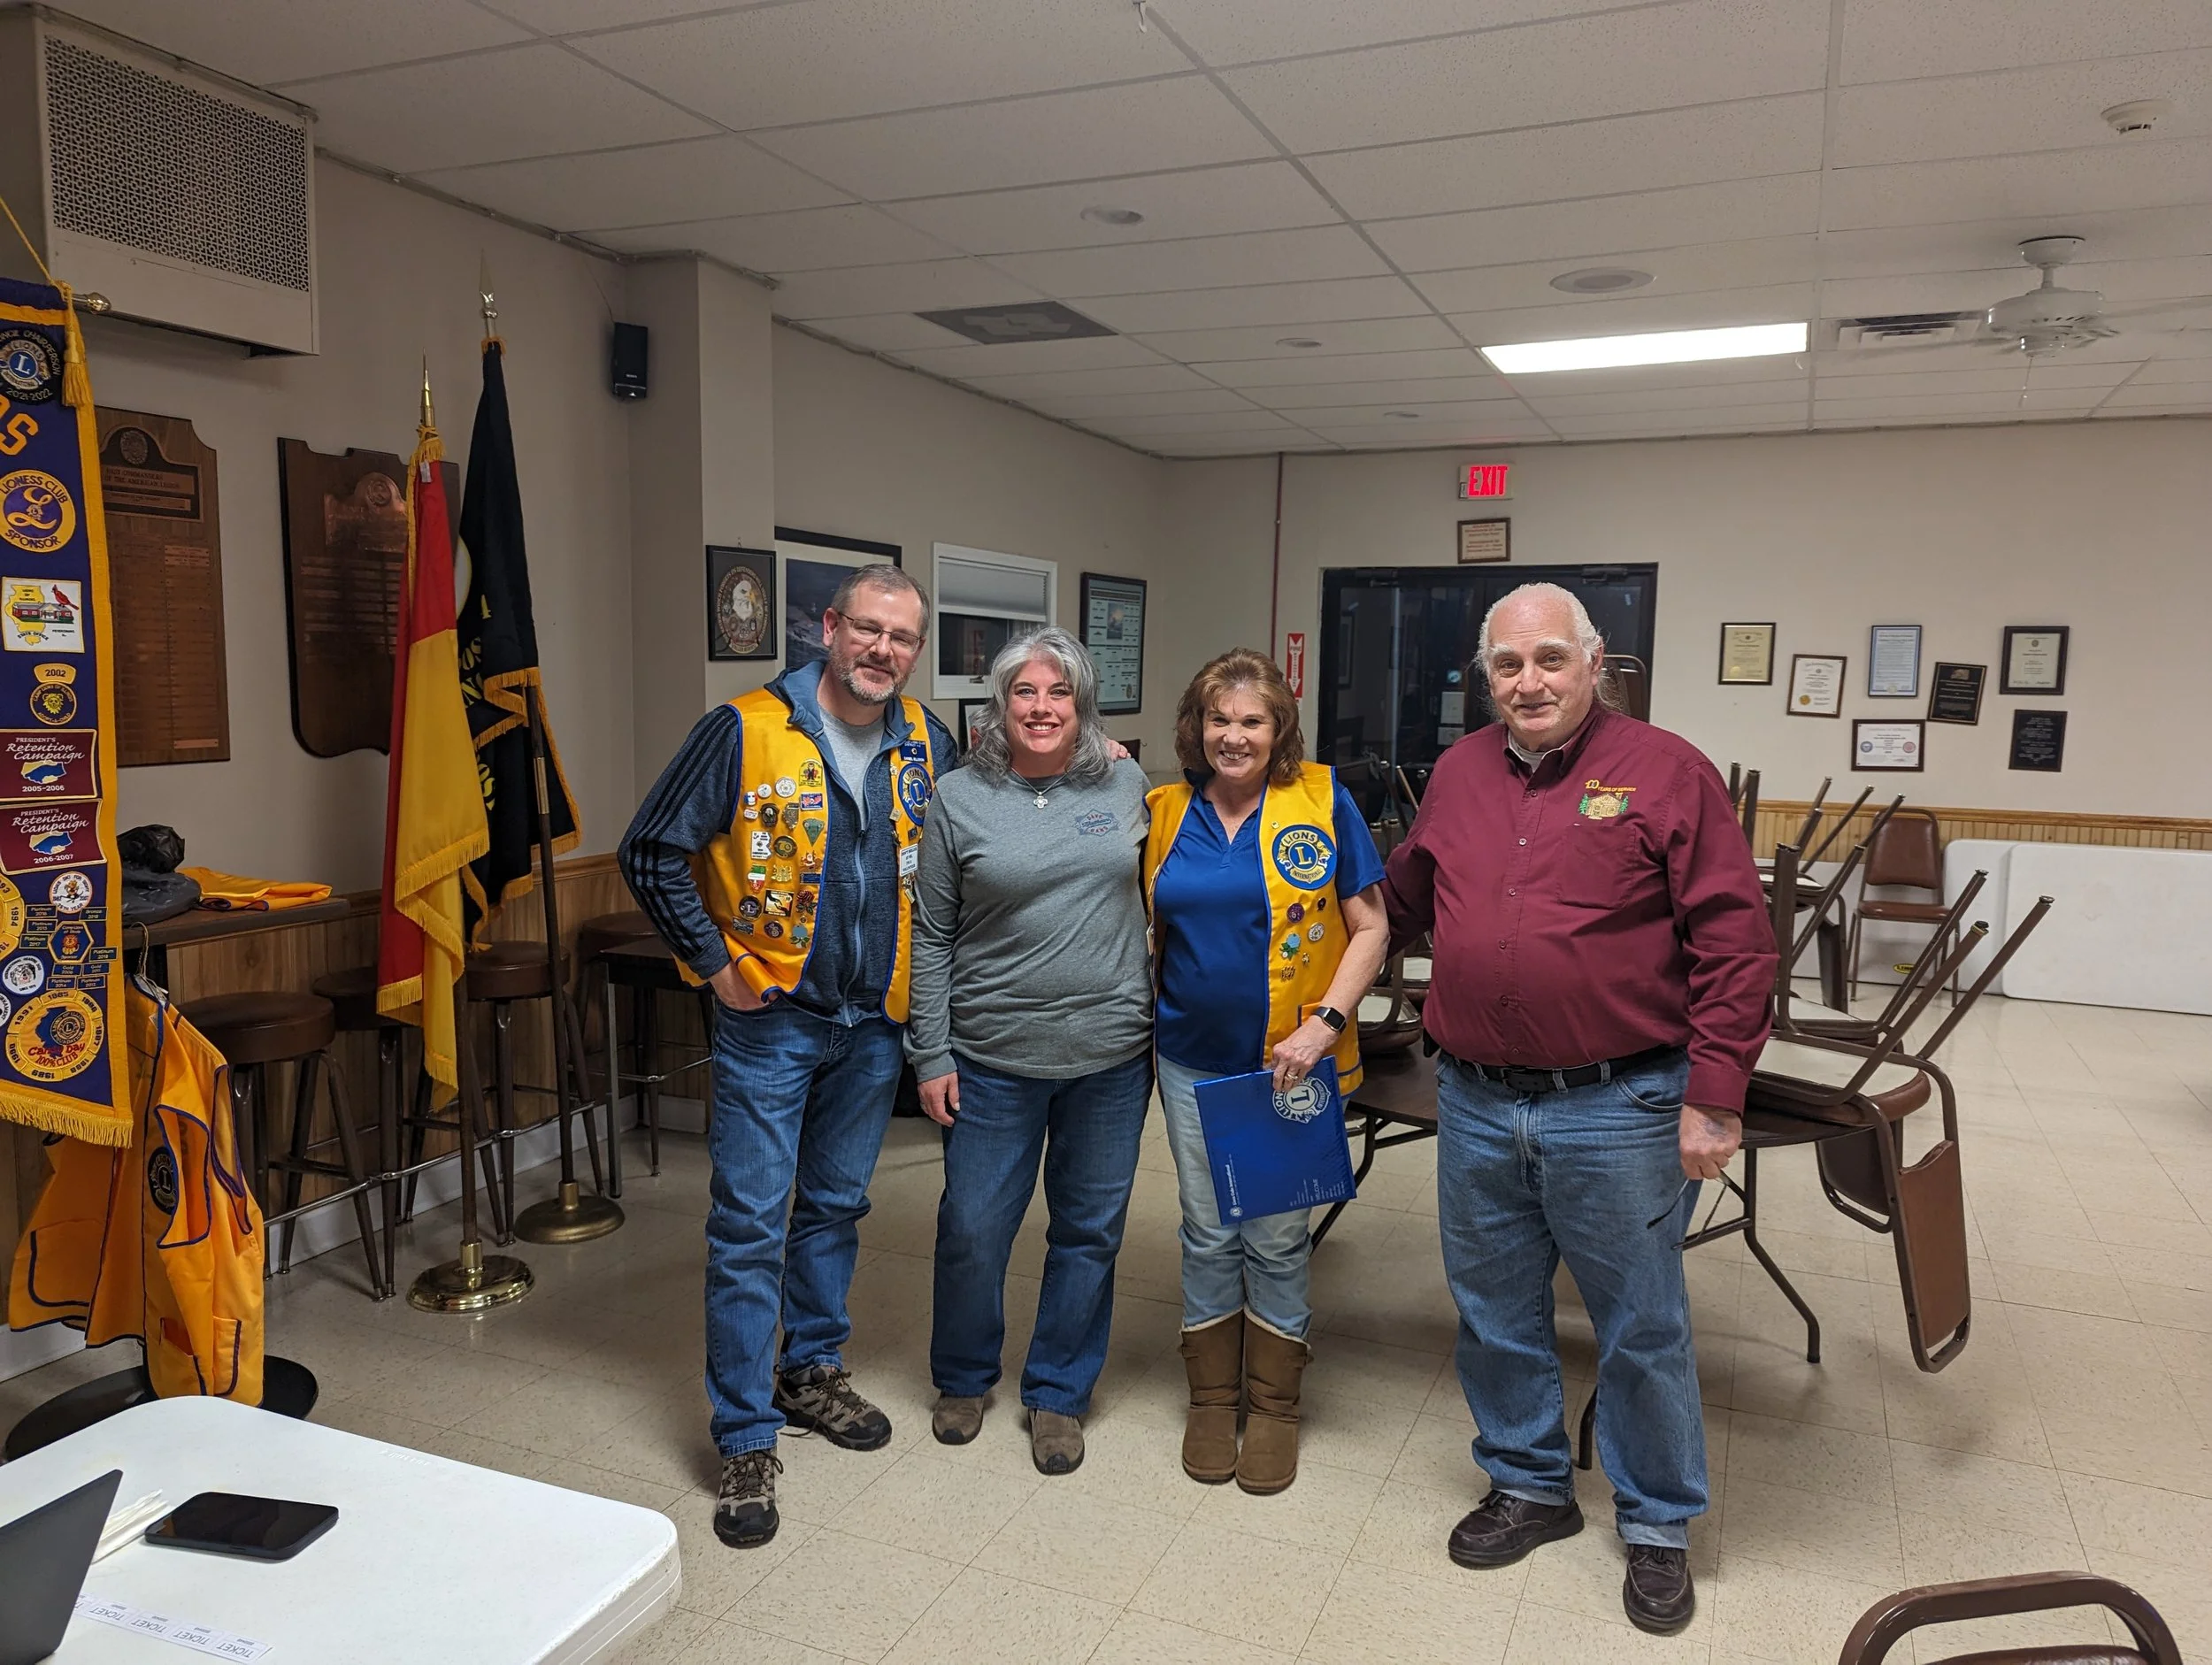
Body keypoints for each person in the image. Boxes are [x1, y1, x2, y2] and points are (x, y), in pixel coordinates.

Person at [1381, 581, 1774, 1634]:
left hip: (1620, 1102)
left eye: (1549, 658)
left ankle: (1656, 1523)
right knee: (1493, 1307)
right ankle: (1528, 1483)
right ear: (1486, 677)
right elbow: (1402, 898)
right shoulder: (1459, 773)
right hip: (1474, 1097)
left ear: (1594, 663)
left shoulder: (1668, 771)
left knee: (1639, 1324)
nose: (1529, 681)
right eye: (1507, 664)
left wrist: (1714, 1096)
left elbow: (1735, 945)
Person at [617, 564, 955, 1550]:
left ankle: (810, 1370)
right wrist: (714, 965)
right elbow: (650, 850)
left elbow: (1002, 798)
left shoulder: (926, 741)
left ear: (915, 651)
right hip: (772, 1020)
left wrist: (1099, 755)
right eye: (868, 629)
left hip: (873, 1023)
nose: (882, 649)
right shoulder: (743, 729)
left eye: (902, 637)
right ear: (829, 627)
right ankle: (744, 1433)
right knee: (750, 1226)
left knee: (836, 1207)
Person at [907, 626, 1153, 1477]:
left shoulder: (1126, 782)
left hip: (1111, 1057)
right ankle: (964, 1377)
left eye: (1060, 693)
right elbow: (931, 932)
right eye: (1025, 692)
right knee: (972, 1229)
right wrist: (931, 1053)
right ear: (999, 704)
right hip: (990, 1057)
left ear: (1083, 706)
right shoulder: (957, 797)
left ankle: (1058, 1392)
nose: (1042, 708)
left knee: (1088, 1232)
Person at [1144, 648, 1388, 1494]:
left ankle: (1276, 1407)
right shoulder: (1166, 810)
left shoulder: (1321, 802)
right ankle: (1213, 1399)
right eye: (1219, 719)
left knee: (1277, 1236)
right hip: (1188, 1057)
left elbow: (1371, 928)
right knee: (1208, 1228)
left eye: (1253, 720)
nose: (1235, 735)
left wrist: (1326, 1024)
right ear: (1197, 726)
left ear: (1280, 729)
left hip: (1289, 1063)